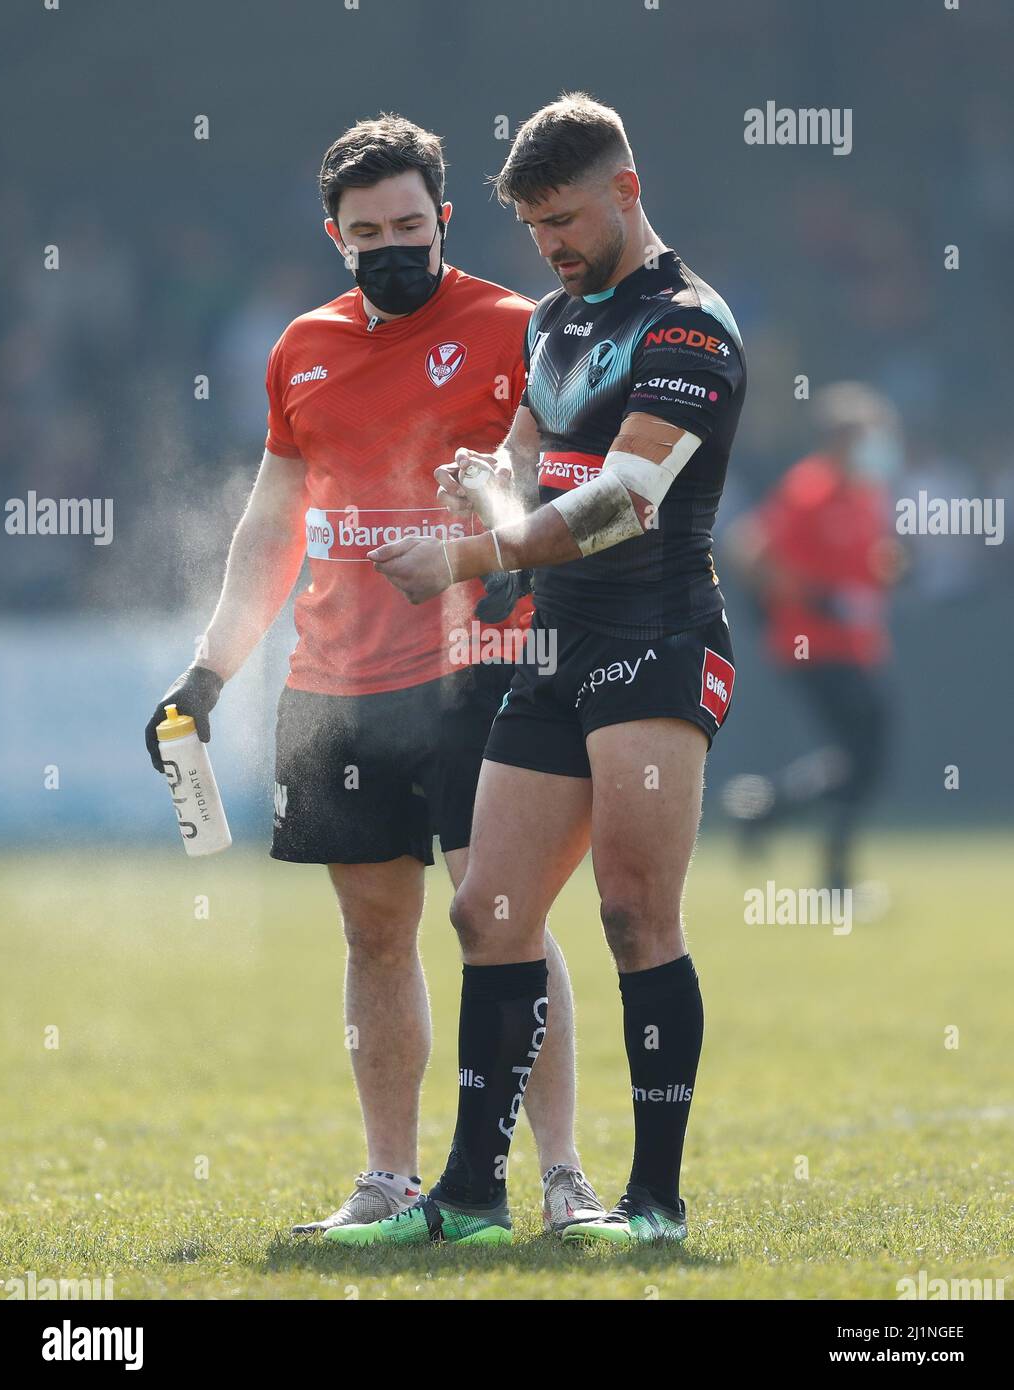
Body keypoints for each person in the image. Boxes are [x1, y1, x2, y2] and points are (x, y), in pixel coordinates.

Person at [144, 114, 603, 1237]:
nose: (391, 244)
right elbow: (268, 522)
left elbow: (543, 469)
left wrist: (502, 542)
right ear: (333, 235)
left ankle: (562, 1178)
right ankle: (390, 1181)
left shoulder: (516, 324)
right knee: (372, 931)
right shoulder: (300, 346)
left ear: (444, 217)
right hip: (335, 679)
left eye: (411, 225)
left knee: (498, 914)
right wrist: (209, 671)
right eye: (367, 233)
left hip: (480, 666)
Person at [322, 93, 747, 1248]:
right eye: (532, 229)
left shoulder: (690, 327)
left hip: (655, 644)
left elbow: (620, 501)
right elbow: (530, 472)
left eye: (564, 218)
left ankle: (652, 1206)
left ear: (627, 189)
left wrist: (472, 546)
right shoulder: (554, 319)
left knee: (629, 914)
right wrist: (485, 487)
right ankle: (465, 1198)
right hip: (552, 646)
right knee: (486, 911)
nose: (550, 246)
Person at [723, 382, 902, 890]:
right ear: (843, 438)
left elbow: (867, 563)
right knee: (860, 754)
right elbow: (750, 552)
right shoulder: (809, 489)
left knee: (864, 756)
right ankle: (834, 876)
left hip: (859, 645)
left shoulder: (866, 493)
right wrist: (810, 599)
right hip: (816, 647)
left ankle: (766, 810)